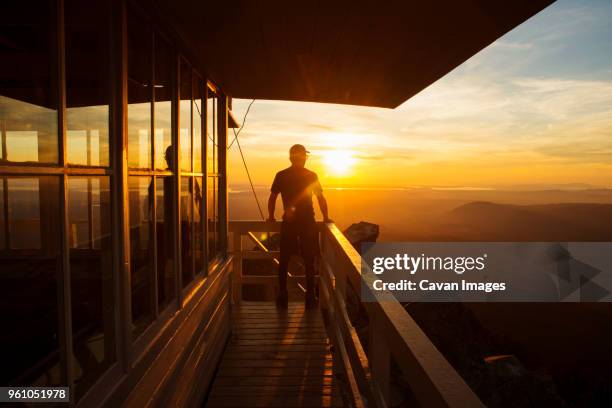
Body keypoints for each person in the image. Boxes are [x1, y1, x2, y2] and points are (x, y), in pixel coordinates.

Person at [267, 144, 331, 309]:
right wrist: (326, 217)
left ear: (290, 158)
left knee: (284, 260)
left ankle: (282, 295)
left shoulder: (281, 175)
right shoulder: (311, 175)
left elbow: (273, 197)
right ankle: (310, 296)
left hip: (289, 223)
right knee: (309, 260)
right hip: (308, 223)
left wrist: (271, 216)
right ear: (304, 158)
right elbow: (320, 198)